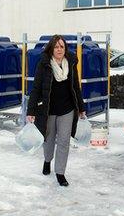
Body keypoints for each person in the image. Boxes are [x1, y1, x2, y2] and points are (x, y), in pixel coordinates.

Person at [26, 35, 86, 187]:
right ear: (51, 49)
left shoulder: (71, 63)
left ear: (65, 49)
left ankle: (60, 172)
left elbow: (76, 88)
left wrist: (81, 108)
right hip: (49, 110)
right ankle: (47, 160)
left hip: (67, 109)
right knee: (49, 140)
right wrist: (31, 110)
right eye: (56, 47)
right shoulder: (44, 64)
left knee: (64, 141)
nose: (59, 50)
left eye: (62, 47)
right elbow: (36, 88)